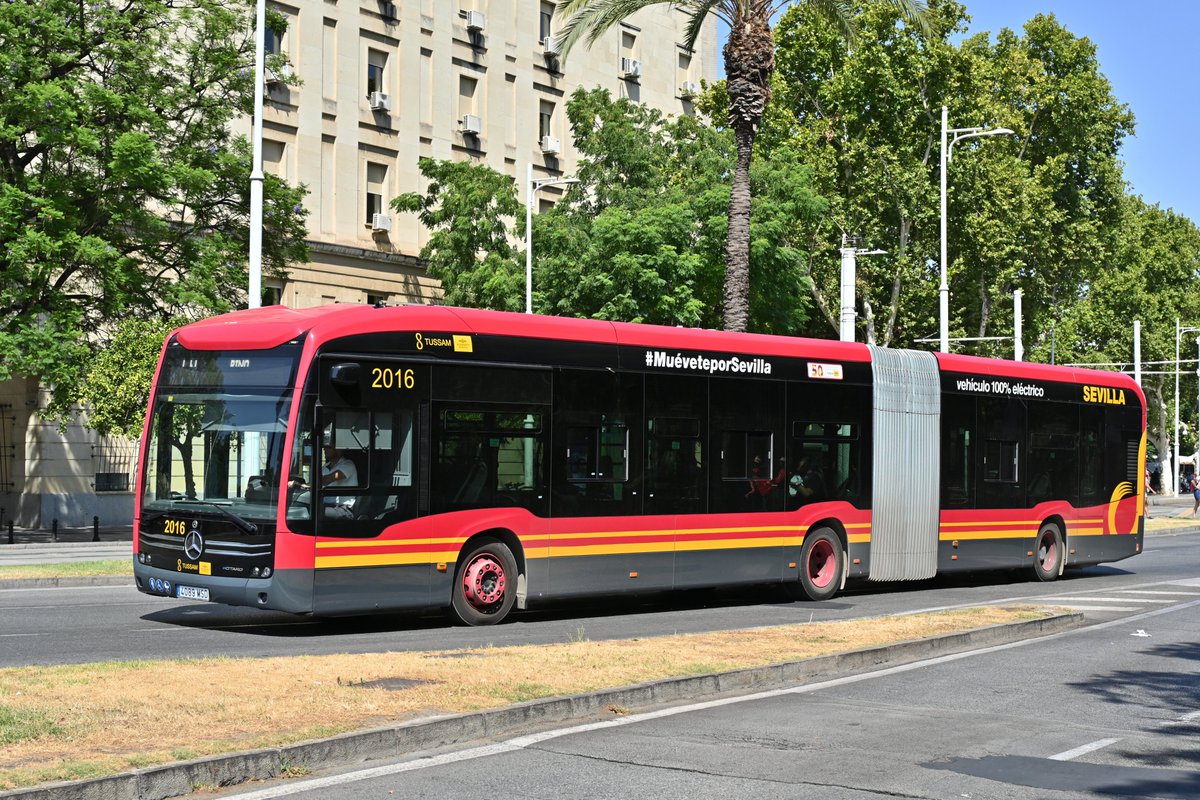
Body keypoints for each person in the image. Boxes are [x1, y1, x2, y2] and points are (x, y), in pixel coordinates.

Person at [320, 443, 359, 518]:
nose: (324, 449)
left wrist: (311, 484)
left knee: (316, 513)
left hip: (343, 508)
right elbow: (315, 482)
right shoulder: (325, 467)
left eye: (328, 447)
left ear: (338, 449)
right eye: (324, 447)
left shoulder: (348, 464)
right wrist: (300, 484)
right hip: (326, 504)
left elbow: (327, 480)